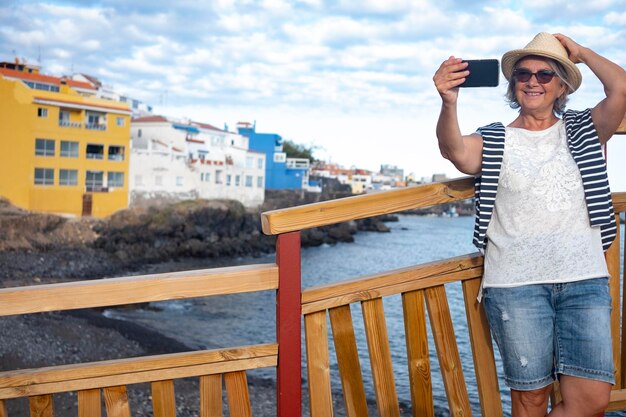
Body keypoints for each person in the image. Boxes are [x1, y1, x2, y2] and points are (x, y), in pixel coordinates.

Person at [433, 32, 626, 417]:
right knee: (531, 399)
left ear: (562, 85)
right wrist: (448, 102)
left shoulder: (585, 129)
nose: (533, 81)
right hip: (516, 286)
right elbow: (455, 151)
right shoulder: (495, 138)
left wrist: (582, 53)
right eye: (523, 74)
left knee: (592, 399)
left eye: (545, 74)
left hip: (584, 281)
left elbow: (621, 87)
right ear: (513, 84)